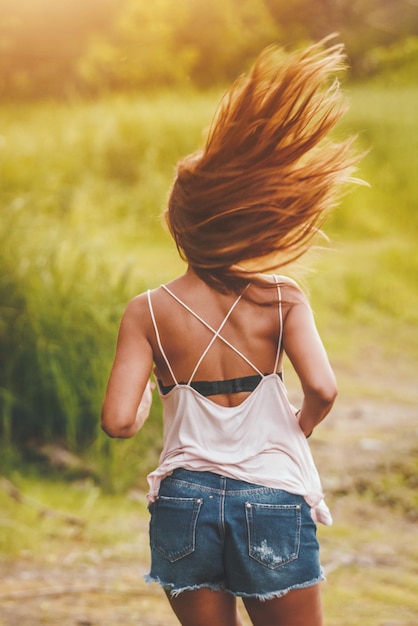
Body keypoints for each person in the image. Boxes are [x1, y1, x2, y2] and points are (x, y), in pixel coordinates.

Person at [101, 38, 360, 626]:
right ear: (241, 223)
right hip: (270, 498)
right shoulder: (281, 298)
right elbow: (323, 388)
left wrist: (147, 394)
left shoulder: (146, 311)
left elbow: (118, 422)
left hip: (182, 502)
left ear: (178, 227)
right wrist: (301, 427)